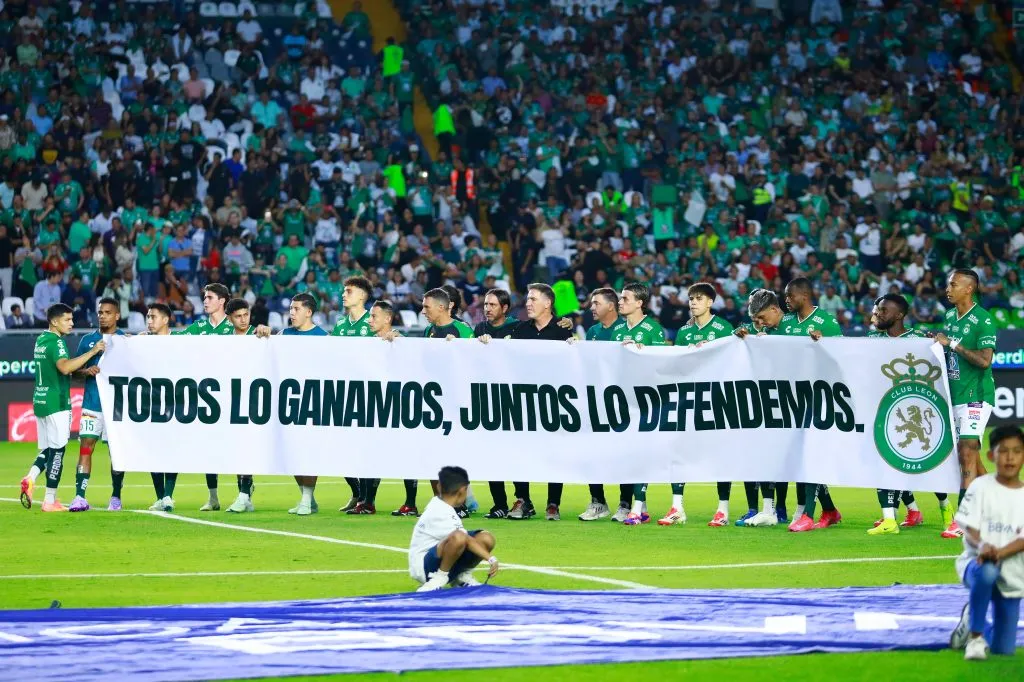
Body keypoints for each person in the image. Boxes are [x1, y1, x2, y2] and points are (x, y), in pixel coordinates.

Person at [764, 278, 844, 532]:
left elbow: (843, 358)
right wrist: (743, 334)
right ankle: (829, 510)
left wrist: (825, 345)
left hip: (819, 397)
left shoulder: (827, 323)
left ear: (804, 296)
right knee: (801, 456)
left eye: (789, 296)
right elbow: (763, 338)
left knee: (810, 455)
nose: (785, 300)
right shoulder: (786, 322)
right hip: (792, 400)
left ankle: (808, 515)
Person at [866, 294, 949, 535]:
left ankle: (947, 510)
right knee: (883, 462)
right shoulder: (872, 338)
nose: (878, 313)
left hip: (916, 411)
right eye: (877, 309)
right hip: (883, 409)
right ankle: (889, 519)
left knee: (928, 465)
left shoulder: (919, 339)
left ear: (900, 315)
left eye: (883, 310)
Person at [948, 424, 1024, 661]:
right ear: (991, 456)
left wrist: (998, 552)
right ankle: (975, 637)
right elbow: (969, 526)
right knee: (988, 572)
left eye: (1017, 451)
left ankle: (972, 617)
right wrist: (982, 546)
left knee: (1004, 650)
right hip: (977, 563)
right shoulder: (981, 487)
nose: (1010, 458)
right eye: (1003, 451)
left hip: (1013, 574)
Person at [19, 304, 105, 512]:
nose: (72, 323)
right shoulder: (57, 343)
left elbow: (62, 371)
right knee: (58, 451)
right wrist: (93, 351)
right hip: (57, 402)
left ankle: (30, 478)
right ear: (54, 321)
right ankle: (50, 500)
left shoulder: (41, 339)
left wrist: (84, 371)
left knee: (48, 448)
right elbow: (65, 367)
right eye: (67, 319)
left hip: (40, 400)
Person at [935, 269, 997, 539]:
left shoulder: (983, 319)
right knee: (971, 457)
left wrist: (954, 345)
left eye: (953, 284)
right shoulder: (949, 317)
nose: (948, 288)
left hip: (977, 396)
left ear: (969, 288)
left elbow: (985, 361)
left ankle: (963, 519)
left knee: (966, 453)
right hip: (955, 396)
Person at [669, 283, 736, 528]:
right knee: (679, 451)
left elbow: (731, 363)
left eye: (698, 299)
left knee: (720, 454)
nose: (693, 303)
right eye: (690, 299)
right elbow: (677, 365)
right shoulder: (684, 332)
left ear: (710, 302)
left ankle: (722, 509)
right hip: (690, 399)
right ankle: (677, 507)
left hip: (717, 399)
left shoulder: (722, 328)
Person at [506, 283, 574, 520]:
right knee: (519, 451)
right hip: (524, 401)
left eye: (533, 299)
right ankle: (523, 499)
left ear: (548, 303)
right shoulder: (520, 330)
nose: (528, 303)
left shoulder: (563, 330)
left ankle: (553, 503)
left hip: (554, 402)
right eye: (527, 299)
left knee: (554, 452)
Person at [176, 283, 235, 512]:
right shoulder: (198, 326)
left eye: (210, 297)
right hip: (207, 397)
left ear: (222, 301)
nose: (205, 301)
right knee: (209, 447)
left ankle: (244, 492)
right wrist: (147, 337)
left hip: (232, 394)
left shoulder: (234, 327)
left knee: (240, 446)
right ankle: (213, 497)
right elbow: (171, 343)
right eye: (205, 297)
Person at [613, 283, 667, 526]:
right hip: (624, 402)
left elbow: (661, 367)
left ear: (639, 303)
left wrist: (642, 353)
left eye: (625, 298)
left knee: (642, 455)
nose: (620, 302)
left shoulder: (653, 330)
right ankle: (641, 507)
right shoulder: (617, 330)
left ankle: (637, 508)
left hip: (647, 403)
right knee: (628, 456)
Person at [67, 298, 126, 512]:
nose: (102, 316)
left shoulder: (124, 341)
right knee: (85, 448)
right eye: (100, 312)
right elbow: (73, 372)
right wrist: (86, 371)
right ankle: (79, 497)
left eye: (108, 312)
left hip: (117, 408)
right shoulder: (87, 341)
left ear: (117, 315)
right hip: (92, 404)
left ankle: (116, 497)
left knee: (116, 453)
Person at [577, 287, 630, 523]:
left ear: (611, 305)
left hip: (624, 401)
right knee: (592, 451)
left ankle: (625, 504)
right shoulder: (593, 331)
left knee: (624, 453)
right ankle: (598, 502)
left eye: (596, 303)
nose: (592, 307)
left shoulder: (626, 328)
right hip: (597, 400)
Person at [410, 466, 499, 592]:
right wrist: (490, 559)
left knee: (485, 538)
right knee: (459, 537)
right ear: (463, 491)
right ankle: (437, 579)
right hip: (425, 569)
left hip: (435, 558)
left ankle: (461, 577)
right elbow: (464, 539)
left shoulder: (442, 505)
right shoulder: (440, 510)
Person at [473, 287, 521, 520]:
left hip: (513, 399)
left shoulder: (517, 328)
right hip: (488, 399)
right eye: (485, 305)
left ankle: (523, 500)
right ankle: (499, 503)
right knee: (493, 454)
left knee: (515, 453)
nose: (487, 309)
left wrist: (566, 326)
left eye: (492, 305)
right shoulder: (479, 329)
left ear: (504, 308)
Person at [330, 276, 375, 513]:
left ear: (362, 296)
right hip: (345, 394)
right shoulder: (340, 325)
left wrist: (393, 336)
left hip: (369, 395)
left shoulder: (373, 321)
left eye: (348, 291)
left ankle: (367, 499)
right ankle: (357, 493)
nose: (343, 294)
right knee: (342, 449)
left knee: (366, 448)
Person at [282, 292, 328, 516]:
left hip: (313, 402)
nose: (292, 313)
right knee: (292, 453)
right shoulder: (284, 334)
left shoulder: (323, 337)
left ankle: (307, 498)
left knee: (308, 452)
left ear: (309, 312)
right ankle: (307, 498)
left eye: (296, 309)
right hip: (288, 402)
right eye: (291, 308)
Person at [144, 303, 180, 511]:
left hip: (174, 403)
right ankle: (160, 496)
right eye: (148, 317)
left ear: (166, 320)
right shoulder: (142, 343)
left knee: (171, 449)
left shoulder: (179, 343)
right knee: (152, 451)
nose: (149, 321)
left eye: (153, 317)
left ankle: (168, 495)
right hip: (150, 405)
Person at [225, 297, 259, 514]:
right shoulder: (223, 339)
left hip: (255, 400)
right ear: (229, 319)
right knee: (236, 450)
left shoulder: (259, 334)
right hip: (230, 400)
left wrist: (268, 334)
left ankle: (243, 494)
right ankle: (244, 492)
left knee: (246, 448)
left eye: (246, 314)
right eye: (238, 316)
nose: (243, 319)